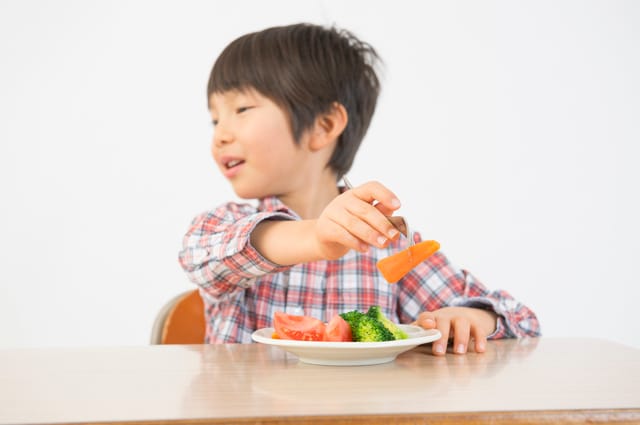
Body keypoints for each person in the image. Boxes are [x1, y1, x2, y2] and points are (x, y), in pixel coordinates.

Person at [178, 23, 540, 355]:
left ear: (324, 125)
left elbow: (522, 323)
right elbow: (200, 256)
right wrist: (316, 237)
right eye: (215, 118)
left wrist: (473, 318)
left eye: (241, 109)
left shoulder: (386, 241)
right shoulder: (226, 225)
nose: (220, 134)